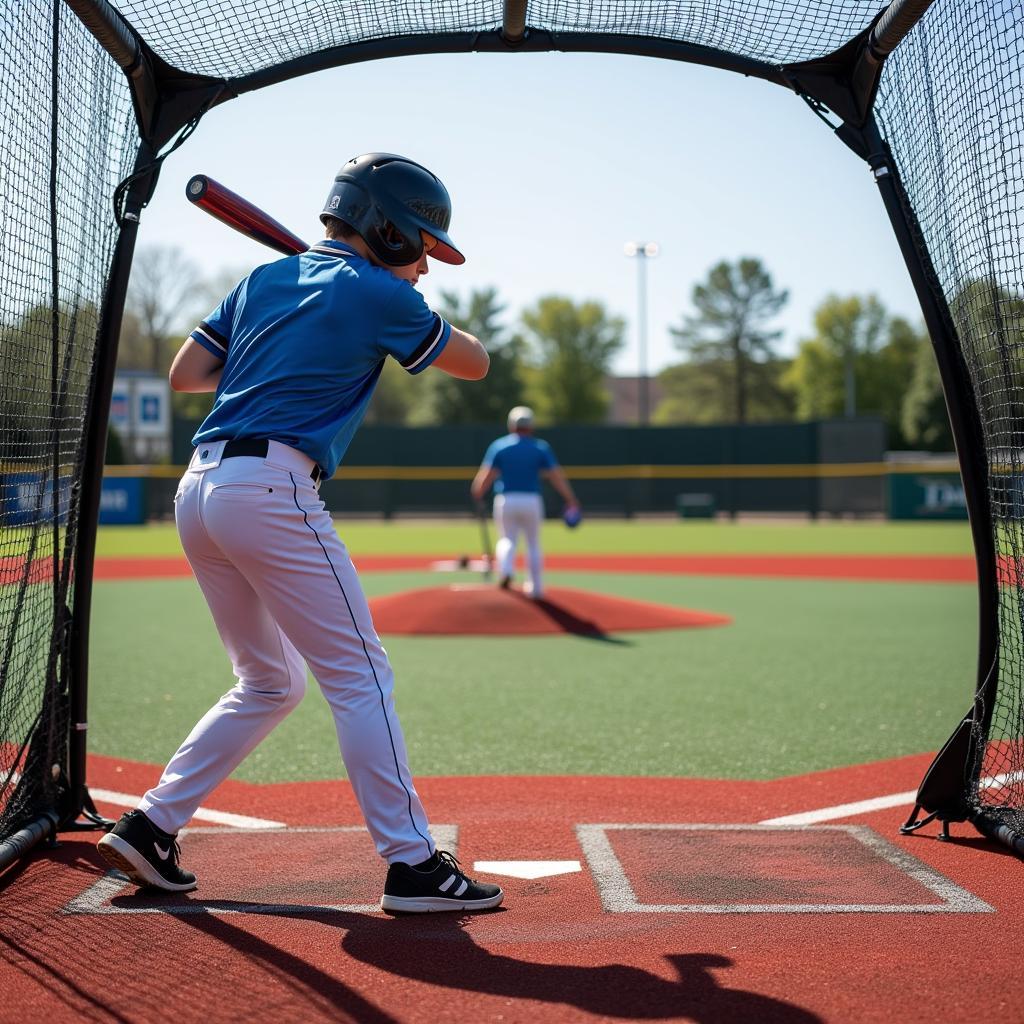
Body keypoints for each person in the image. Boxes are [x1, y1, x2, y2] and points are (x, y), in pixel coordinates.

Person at [98, 153, 503, 913]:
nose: (424, 266)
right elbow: (476, 363)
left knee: (270, 681)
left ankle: (153, 824)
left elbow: (189, 371)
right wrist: (367, 303)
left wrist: (289, 317)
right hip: (271, 489)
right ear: (385, 231)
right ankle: (412, 863)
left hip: (199, 491)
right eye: (420, 247)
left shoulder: (263, 283)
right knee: (361, 676)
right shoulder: (381, 293)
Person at [470, 406, 579, 599]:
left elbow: (485, 478)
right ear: (531, 426)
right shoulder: (540, 448)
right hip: (531, 500)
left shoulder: (500, 447)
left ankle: (506, 570)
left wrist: (478, 493)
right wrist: (570, 499)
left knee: (506, 539)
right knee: (533, 544)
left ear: (512, 426)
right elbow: (556, 476)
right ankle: (536, 588)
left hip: (506, 500)